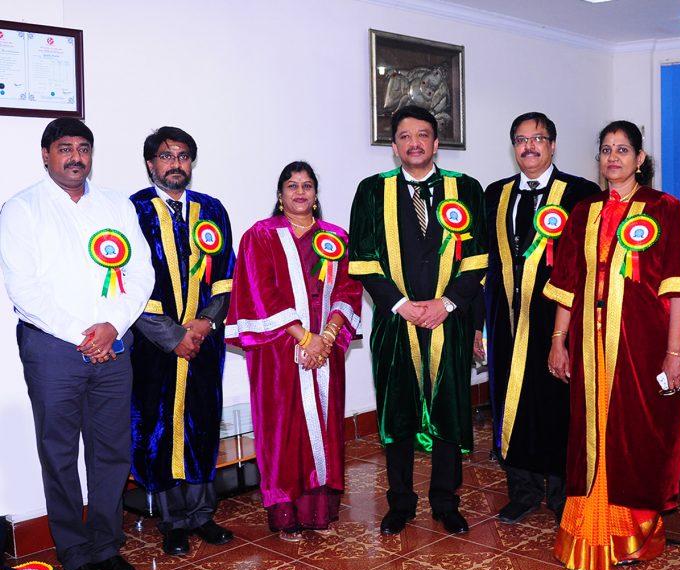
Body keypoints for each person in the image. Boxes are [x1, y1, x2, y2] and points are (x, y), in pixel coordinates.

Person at [544, 120, 680, 570]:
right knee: (589, 431)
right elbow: (567, 285)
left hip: (642, 343)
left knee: (635, 434)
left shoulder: (668, 210)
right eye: (606, 150)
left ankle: (631, 533)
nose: (613, 158)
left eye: (623, 150)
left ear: (640, 159)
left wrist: (674, 351)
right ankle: (587, 528)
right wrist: (558, 341)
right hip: (588, 343)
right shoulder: (582, 213)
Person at [0, 118, 155, 570]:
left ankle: (107, 546)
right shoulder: (21, 209)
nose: (75, 157)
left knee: (112, 452)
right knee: (60, 453)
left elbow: (141, 271)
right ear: (45, 154)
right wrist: (83, 336)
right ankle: (75, 553)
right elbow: (23, 288)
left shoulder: (115, 204)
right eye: (64, 148)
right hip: (52, 349)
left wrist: (112, 327)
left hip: (114, 343)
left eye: (83, 148)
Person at [348, 105, 488, 536]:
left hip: (451, 321)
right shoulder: (372, 191)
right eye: (405, 136)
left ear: (435, 143)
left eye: (423, 135)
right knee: (398, 412)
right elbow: (362, 260)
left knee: (449, 409)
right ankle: (400, 503)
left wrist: (446, 304)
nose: (414, 143)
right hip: (395, 322)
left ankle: (446, 501)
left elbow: (479, 258)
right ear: (394, 147)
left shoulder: (466, 189)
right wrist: (401, 305)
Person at [225, 161, 362, 541]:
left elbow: (349, 289)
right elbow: (260, 291)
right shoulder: (261, 236)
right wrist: (305, 337)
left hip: (326, 352)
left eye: (307, 186)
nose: (300, 192)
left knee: (324, 428)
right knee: (283, 431)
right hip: (278, 351)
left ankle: (319, 512)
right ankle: (286, 514)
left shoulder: (336, 237)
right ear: (280, 194)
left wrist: (329, 335)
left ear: (316, 195)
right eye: (291, 185)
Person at [484, 112, 600, 525]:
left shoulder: (581, 193)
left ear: (553, 145)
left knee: (557, 403)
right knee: (510, 403)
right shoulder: (495, 194)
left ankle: (562, 493)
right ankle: (522, 491)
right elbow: (488, 262)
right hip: (506, 319)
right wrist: (480, 324)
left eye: (538, 138)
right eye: (520, 139)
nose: (529, 146)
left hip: (558, 318)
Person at [129, 127, 236, 556]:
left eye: (184, 155)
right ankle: (172, 521)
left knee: (202, 422)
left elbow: (226, 275)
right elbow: (129, 283)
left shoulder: (212, 209)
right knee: (159, 426)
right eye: (166, 155)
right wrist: (172, 336)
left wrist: (204, 325)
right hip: (155, 344)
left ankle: (202, 514)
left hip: (205, 343)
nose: (176, 163)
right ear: (151, 163)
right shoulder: (133, 210)